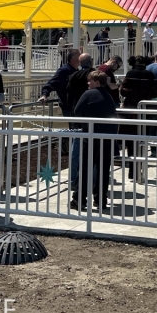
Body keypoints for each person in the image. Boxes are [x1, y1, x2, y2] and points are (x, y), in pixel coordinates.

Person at [72, 70, 120, 211]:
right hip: (107, 137)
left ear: (97, 82)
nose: (88, 83)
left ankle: (79, 200)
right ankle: (100, 200)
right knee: (103, 170)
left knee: (85, 169)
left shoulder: (88, 94)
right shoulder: (109, 96)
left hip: (91, 136)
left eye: (90, 80)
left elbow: (77, 112)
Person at [65, 53, 93, 200]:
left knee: (76, 149)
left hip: (76, 115)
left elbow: (68, 96)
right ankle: (92, 181)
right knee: (93, 150)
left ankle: (73, 180)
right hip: (92, 117)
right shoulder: (94, 75)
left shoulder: (73, 77)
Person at [40, 49, 80, 115]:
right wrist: (44, 95)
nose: (80, 58)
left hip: (76, 106)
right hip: (68, 107)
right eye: (79, 57)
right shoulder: (63, 71)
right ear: (73, 60)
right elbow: (51, 84)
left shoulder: (76, 71)